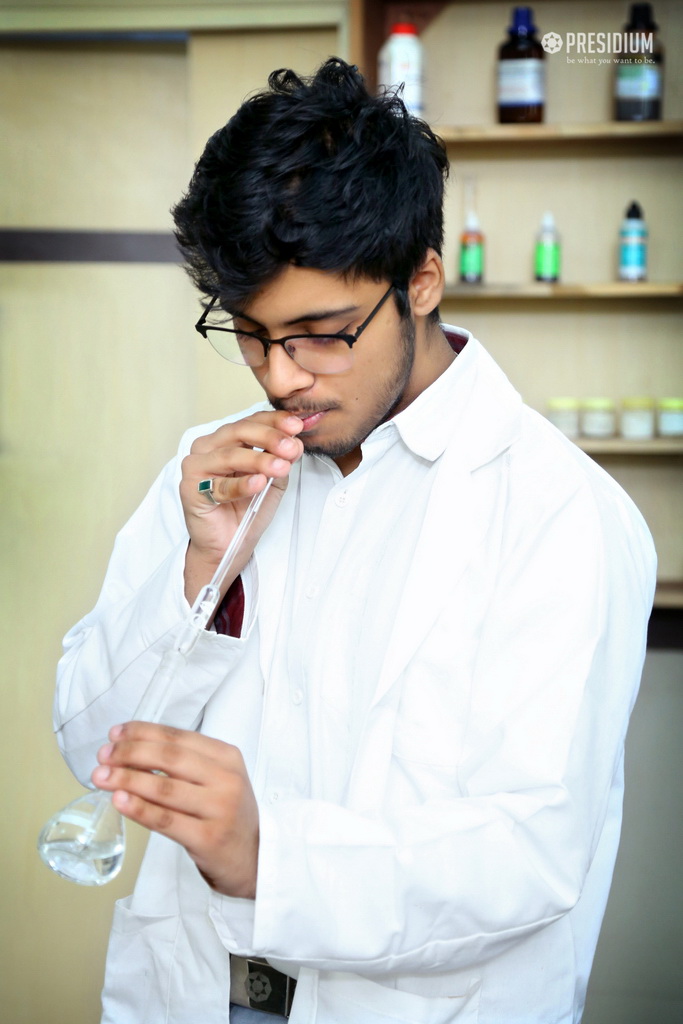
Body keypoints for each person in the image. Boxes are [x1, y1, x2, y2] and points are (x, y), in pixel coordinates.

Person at [53, 58, 656, 1024]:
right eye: (249, 335)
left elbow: (530, 852)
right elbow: (93, 751)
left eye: (321, 332)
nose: (280, 376)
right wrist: (200, 571)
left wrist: (271, 857)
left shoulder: (559, 515)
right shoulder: (213, 474)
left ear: (421, 279)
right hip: (191, 995)